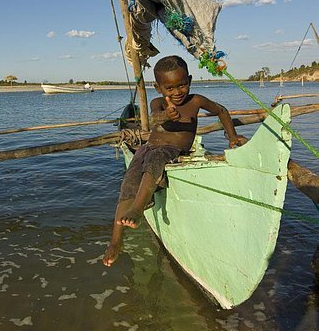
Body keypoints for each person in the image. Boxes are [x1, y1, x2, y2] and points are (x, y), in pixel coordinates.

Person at [103, 55, 248, 267]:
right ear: (158, 87)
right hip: (148, 146)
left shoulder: (196, 101)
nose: (177, 92)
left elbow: (222, 111)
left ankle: (138, 207)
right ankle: (115, 241)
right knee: (129, 181)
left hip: (171, 149)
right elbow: (155, 117)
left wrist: (232, 136)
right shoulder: (158, 103)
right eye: (170, 88)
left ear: (189, 80)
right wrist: (166, 116)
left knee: (154, 161)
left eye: (182, 85)